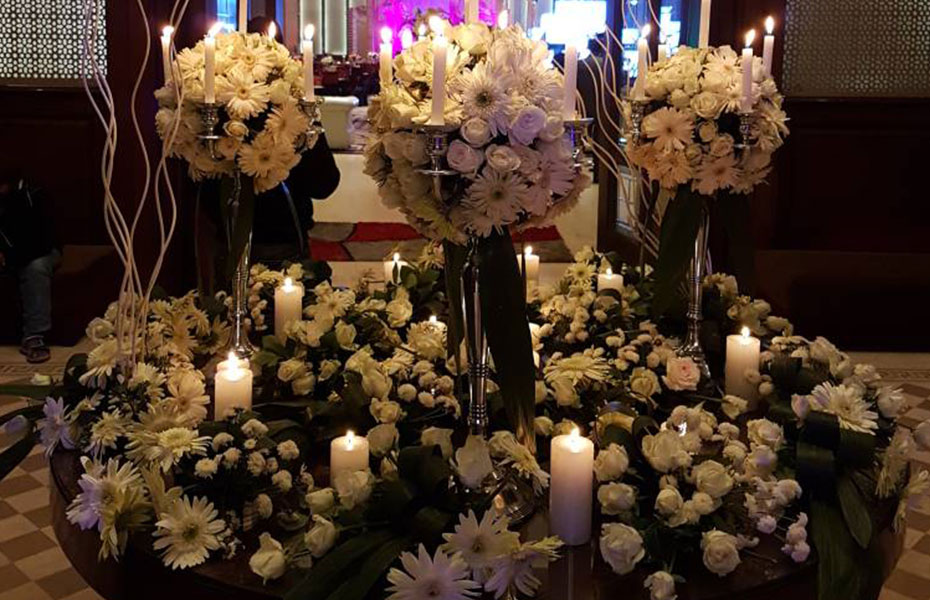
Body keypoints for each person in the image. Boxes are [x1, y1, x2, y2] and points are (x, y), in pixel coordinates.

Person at [200, 16, 341, 287]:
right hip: (280, 240)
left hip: (229, 241)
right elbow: (324, 184)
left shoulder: (217, 111)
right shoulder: (293, 110)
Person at [0, 169, 61, 363]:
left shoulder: (35, 195)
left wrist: (9, 257)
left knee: (36, 267)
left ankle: (34, 336)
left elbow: (42, 241)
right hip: (9, 255)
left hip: (39, 252)